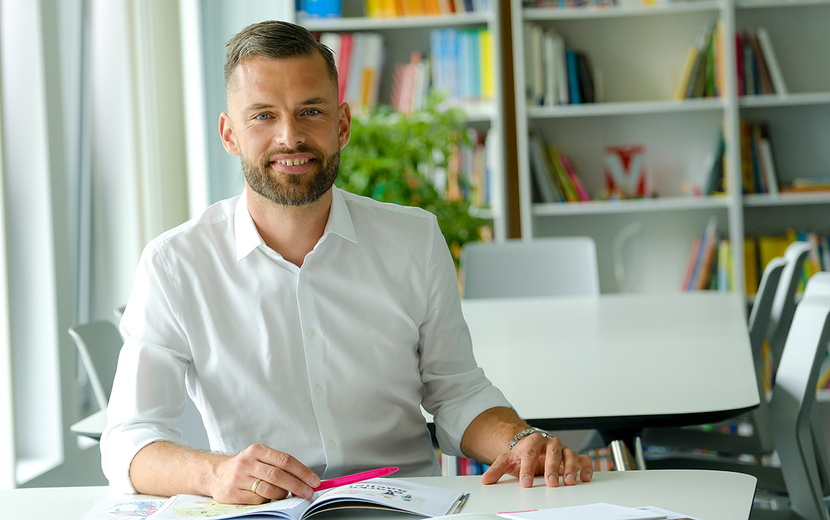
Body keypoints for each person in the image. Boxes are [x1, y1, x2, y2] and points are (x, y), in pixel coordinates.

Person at [100, 20, 593, 505]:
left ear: (342, 124)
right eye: (263, 116)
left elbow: (456, 393)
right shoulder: (175, 265)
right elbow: (128, 440)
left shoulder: (414, 240)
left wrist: (518, 441)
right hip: (266, 514)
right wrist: (216, 473)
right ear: (229, 135)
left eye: (310, 111)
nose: (289, 137)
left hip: (407, 508)